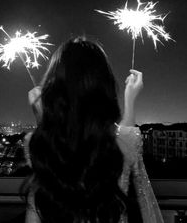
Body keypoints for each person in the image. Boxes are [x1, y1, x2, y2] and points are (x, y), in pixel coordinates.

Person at [23, 37, 164, 223]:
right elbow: (124, 143)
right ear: (104, 87)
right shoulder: (126, 141)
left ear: (54, 88)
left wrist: (43, 121)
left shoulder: (35, 144)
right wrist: (130, 100)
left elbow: (36, 210)